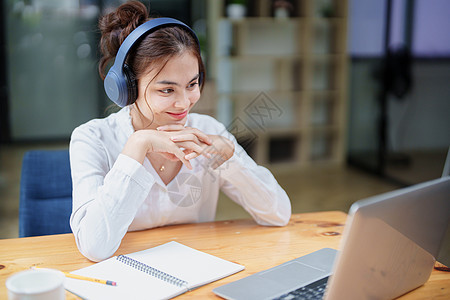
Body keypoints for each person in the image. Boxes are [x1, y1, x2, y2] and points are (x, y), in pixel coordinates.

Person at [69, 0, 291, 262]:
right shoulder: (92, 139)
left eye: (192, 84)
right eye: (167, 89)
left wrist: (232, 160)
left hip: (195, 273)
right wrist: (136, 148)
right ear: (126, 88)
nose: (185, 102)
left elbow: (278, 214)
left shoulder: (208, 131)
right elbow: (94, 247)